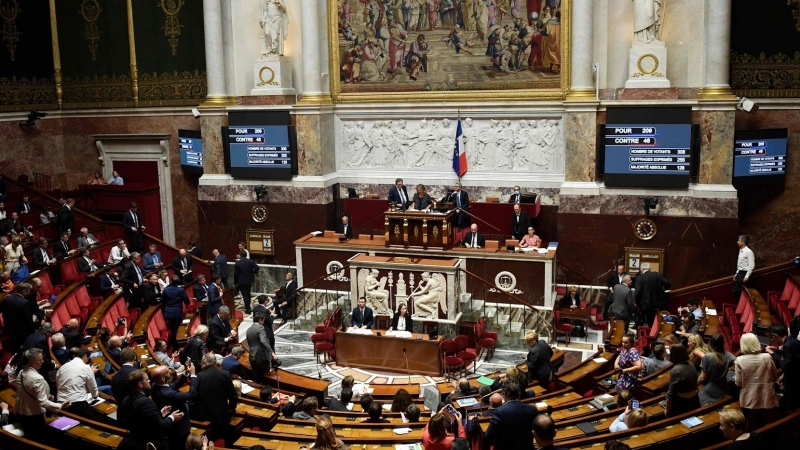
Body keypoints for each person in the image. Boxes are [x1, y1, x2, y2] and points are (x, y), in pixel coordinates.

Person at [120, 369, 183, 450]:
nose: (149, 381)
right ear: (140, 384)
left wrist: (158, 414)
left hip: (137, 440)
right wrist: (172, 417)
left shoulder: (126, 400)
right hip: (152, 443)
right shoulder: (146, 402)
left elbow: (142, 421)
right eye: (146, 379)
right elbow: (160, 426)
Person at [16, 348, 70, 442]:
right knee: (39, 439)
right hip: (34, 415)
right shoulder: (37, 378)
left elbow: (27, 392)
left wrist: (45, 395)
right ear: (32, 362)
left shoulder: (21, 372)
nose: (43, 361)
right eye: (40, 360)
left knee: (30, 439)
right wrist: (60, 406)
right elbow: (43, 402)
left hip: (22, 412)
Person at [190, 353, 238, 445]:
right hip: (223, 413)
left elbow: (193, 398)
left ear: (204, 363)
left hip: (205, 416)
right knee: (225, 439)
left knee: (209, 441)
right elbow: (233, 395)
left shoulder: (199, 377)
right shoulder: (225, 374)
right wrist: (231, 407)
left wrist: (192, 416)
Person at [736, 333, 779, 429]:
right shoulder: (767, 357)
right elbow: (774, 376)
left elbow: (738, 383)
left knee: (752, 426)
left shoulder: (739, 360)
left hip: (749, 398)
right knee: (767, 426)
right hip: (767, 396)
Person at [150, 364, 194, 450]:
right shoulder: (168, 394)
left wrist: (185, 374)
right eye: (167, 372)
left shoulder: (155, 386)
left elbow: (172, 386)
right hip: (180, 427)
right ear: (163, 379)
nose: (170, 371)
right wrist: (193, 376)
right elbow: (191, 394)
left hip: (170, 425)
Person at [485, 379, 538, 450]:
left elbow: (488, 435)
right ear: (519, 393)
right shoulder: (532, 410)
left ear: (505, 394)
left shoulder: (499, 412)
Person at [766, 319, 800, 411]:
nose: (771, 340)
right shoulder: (791, 340)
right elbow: (791, 358)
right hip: (794, 375)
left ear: (775, 336)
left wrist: (772, 353)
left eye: (771, 338)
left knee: (791, 403)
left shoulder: (788, 345)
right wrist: (777, 350)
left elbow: (785, 365)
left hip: (794, 380)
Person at [55, 348, 99, 419]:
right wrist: (95, 396)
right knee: (92, 421)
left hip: (61, 403)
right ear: (85, 356)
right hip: (77, 404)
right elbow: (93, 387)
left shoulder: (63, 367)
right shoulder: (86, 368)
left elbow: (58, 384)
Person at [698, 334, 736, 406]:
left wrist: (693, 386)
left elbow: (702, 378)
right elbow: (738, 363)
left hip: (708, 391)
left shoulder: (707, 356)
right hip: (723, 389)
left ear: (710, 343)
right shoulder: (727, 355)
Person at [665, 343, 700, 417]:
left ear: (674, 355)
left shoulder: (675, 370)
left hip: (681, 404)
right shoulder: (691, 364)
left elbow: (671, 393)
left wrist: (667, 409)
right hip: (694, 400)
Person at [634, 262, 670, 326]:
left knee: (646, 321)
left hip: (646, 304)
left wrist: (636, 302)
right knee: (659, 320)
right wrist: (663, 290)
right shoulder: (657, 275)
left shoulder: (639, 278)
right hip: (659, 302)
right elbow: (667, 282)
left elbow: (637, 292)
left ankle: (648, 334)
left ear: (641, 270)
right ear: (649, 269)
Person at [2, 282, 34, 352]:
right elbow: (28, 320)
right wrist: (33, 332)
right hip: (23, 333)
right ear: (24, 291)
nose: (29, 293)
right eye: (29, 291)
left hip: (10, 330)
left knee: (16, 349)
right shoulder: (25, 302)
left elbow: (4, 314)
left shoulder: (7, 299)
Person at [247, 312, 278, 383]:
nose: (263, 323)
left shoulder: (249, 329)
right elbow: (263, 341)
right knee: (265, 377)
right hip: (261, 357)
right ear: (260, 320)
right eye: (263, 320)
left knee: (257, 377)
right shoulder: (260, 327)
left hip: (252, 356)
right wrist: (272, 352)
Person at [234, 250, 259, 314]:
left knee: (245, 295)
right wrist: (254, 273)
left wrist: (236, 282)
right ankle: (249, 307)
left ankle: (248, 309)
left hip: (241, 281)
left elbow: (236, 274)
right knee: (248, 293)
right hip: (249, 280)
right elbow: (257, 267)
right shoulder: (251, 261)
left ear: (241, 255)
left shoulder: (238, 263)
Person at [733, 235, 755, 301]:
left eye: (739, 241)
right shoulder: (741, 250)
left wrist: (747, 276)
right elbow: (740, 263)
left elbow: (751, 265)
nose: (737, 242)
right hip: (740, 272)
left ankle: (743, 303)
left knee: (736, 291)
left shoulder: (749, 252)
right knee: (740, 291)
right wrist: (737, 273)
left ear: (743, 242)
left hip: (744, 273)